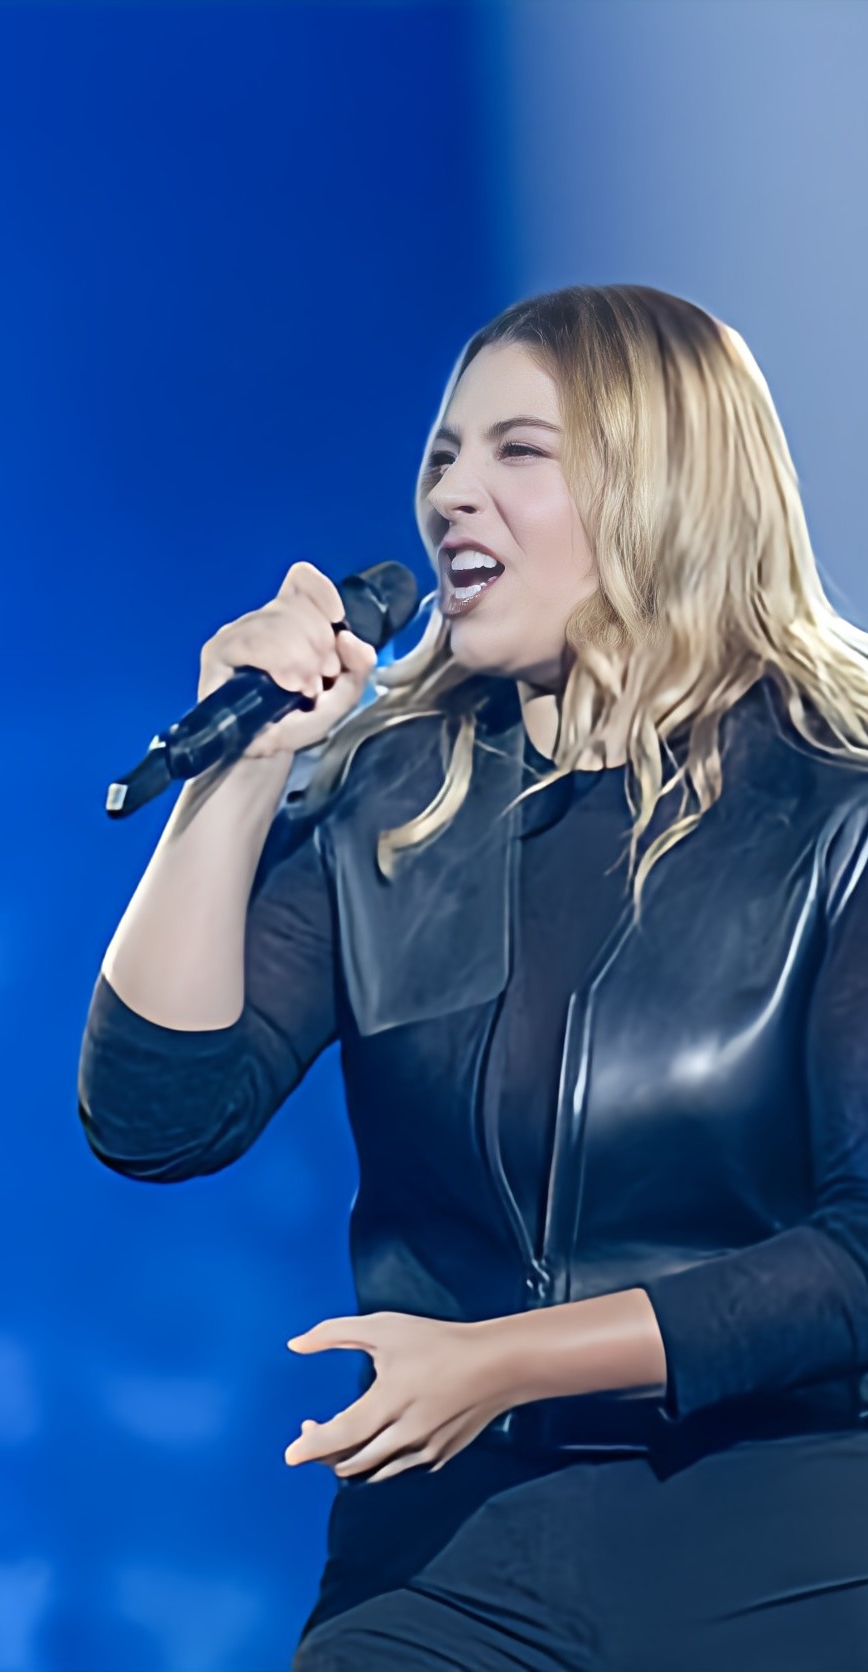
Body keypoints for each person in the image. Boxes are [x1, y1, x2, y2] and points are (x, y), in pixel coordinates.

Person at [79, 284, 868, 1670]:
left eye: (518, 451)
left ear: (663, 488)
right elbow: (158, 1114)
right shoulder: (400, 808)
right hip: (454, 1557)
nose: (453, 494)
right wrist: (245, 777)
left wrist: (504, 1358)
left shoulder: (837, 812)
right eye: (443, 455)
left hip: (783, 1527)